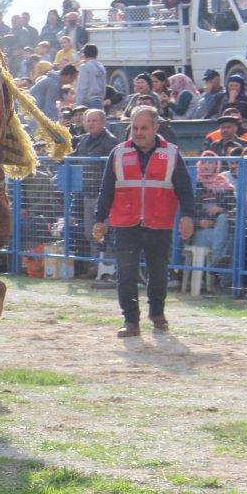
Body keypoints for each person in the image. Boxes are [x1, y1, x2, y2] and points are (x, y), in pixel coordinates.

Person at [93, 107, 195, 338]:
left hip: (159, 224)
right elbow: (106, 190)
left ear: (156, 128)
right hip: (124, 224)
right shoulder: (118, 153)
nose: (138, 133)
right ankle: (131, 321)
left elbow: (185, 189)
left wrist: (188, 215)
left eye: (143, 128)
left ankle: (157, 313)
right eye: (134, 128)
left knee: (158, 273)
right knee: (126, 273)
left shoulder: (171, 154)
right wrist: (100, 219)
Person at [74, 44, 106, 109]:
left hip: (87, 102)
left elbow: (82, 87)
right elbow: (103, 86)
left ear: (85, 54)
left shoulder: (84, 67)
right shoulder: (101, 67)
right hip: (98, 101)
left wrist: (78, 104)